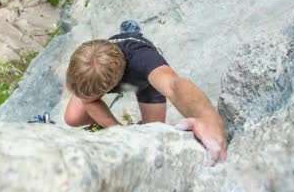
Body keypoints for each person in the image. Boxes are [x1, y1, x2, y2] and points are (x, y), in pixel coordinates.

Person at [64, 20, 227, 164]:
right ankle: (128, 31)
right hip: (108, 66)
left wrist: (208, 118)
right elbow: (87, 100)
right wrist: (117, 130)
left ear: (110, 86)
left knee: (153, 136)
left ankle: (133, 33)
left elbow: (174, 86)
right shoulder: (90, 59)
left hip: (145, 84)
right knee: (72, 118)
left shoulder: (143, 59)